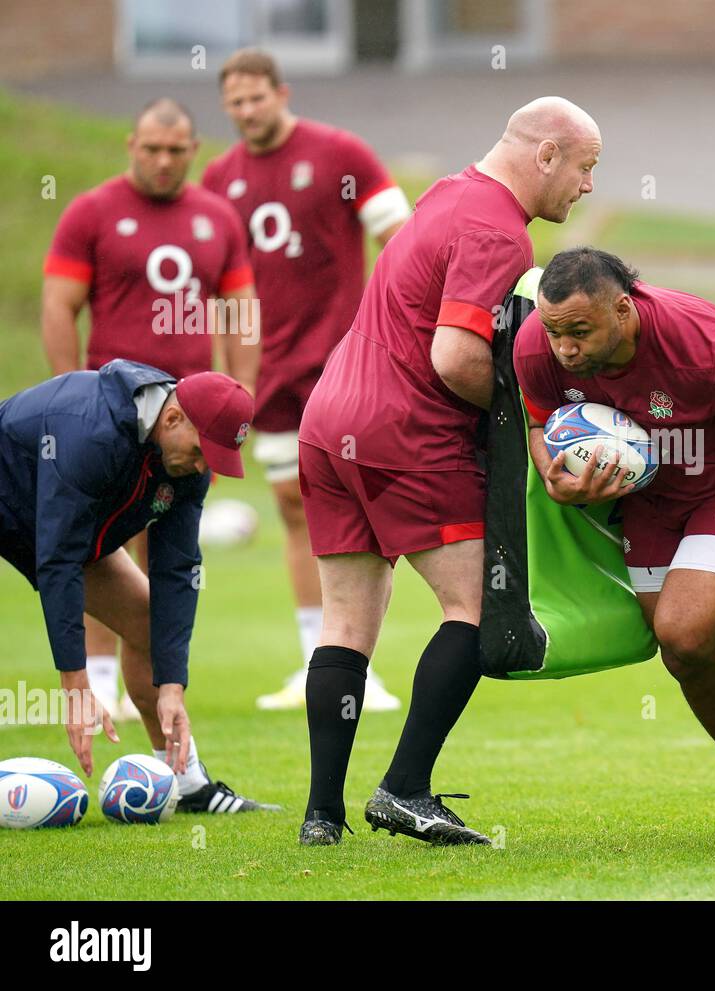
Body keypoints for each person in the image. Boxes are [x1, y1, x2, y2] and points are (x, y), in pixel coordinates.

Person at [295, 97, 601, 846]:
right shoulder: (497, 231)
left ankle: (322, 815)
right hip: (405, 428)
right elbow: (455, 356)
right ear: (547, 156)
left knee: (345, 622)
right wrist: (529, 419)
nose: (588, 186)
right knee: (476, 608)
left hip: (330, 417)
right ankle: (404, 789)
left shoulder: (446, 194)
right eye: (587, 168)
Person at [515, 248, 715, 836]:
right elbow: (538, 422)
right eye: (555, 331)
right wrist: (552, 475)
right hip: (653, 498)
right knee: (684, 654)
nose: (564, 349)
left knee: (683, 631)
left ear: (624, 308)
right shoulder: (539, 344)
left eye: (580, 332)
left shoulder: (703, 346)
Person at [203, 48, 412, 711]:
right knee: (297, 513)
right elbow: (220, 288)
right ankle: (315, 664)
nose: (246, 111)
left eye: (256, 98)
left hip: (346, 364)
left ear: (280, 92)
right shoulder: (218, 179)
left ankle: (362, 669)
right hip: (272, 373)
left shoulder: (339, 154)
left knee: (364, 513)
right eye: (234, 102)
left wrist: (396, 327)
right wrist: (230, 368)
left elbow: (401, 239)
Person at [42, 97, 260, 724]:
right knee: (100, 545)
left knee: (166, 550)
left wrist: (238, 398)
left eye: (176, 150)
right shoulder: (91, 211)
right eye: (151, 148)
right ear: (131, 146)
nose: (163, 160)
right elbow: (60, 305)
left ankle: (157, 690)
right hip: (116, 421)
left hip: (189, 427)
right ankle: (101, 682)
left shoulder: (217, 217)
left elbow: (241, 312)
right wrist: (70, 397)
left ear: (194, 151)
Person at [0, 361, 275, 813]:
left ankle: (187, 785)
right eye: (202, 449)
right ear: (171, 419)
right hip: (23, 510)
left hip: (61, 530)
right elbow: (58, 559)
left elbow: (178, 569)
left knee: (151, 626)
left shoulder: (187, 465)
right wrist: (76, 685)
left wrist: (172, 685)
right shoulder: (91, 433)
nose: (205, 466)